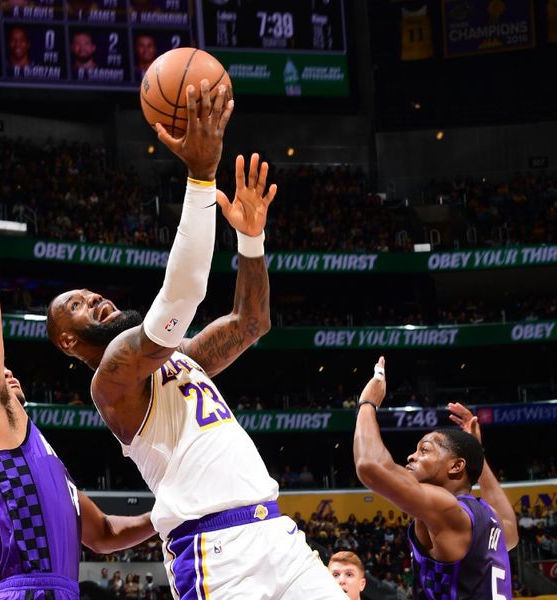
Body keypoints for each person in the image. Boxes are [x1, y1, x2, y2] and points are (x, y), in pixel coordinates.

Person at [46, 82, 342, 598]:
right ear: (70, 342)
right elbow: (180, 298)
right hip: (215, 552)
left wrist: (251, 239)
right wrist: (201, 177)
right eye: (76, 305)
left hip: (275, 533)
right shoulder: (112, 378)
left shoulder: (176, 358)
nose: (94, 299)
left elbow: (251, 323)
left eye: (91, 293)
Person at [0, 110, 155, 600]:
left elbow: (103, 535)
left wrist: (168, 514)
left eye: (11, 372)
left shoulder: (46, 457)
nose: (9, 375)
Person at [353, 357, 519, 600]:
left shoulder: (447, 507)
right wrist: (475, 451)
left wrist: (368, 403)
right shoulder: (491, 521)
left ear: (455, 466)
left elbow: (370, 466)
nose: (411, 456)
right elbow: (510, 526)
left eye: (425, 450)